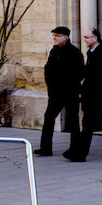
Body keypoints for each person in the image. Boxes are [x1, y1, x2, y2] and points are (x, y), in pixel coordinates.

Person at [66, 28, 102, 162]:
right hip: (94, 95)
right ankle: (80, 153)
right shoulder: (92, 52)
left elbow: (99, 78)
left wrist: (84, 91)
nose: (85, 39)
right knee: (89, 124)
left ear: (95, 38)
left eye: (87, 37)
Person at [34, 26, 84, 157]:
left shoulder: (74, 52)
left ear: (65, 37)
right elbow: (48, 69)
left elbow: (80, 73)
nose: (54, 38)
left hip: (69, 92)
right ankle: (45, 147)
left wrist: (68, 84)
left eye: (57, 35)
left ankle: (75, 148)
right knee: (49, 118)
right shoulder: (54, 51)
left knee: (73, 120)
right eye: (54, 35)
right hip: (55, 93)